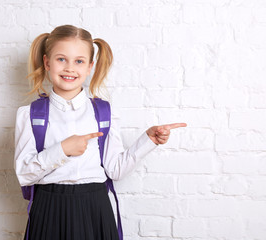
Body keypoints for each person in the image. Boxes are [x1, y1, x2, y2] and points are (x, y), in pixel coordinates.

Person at [14, 24, 186, 240]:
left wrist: (148, 141)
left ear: (89, 67)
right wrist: (63, 149)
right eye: (61, 59)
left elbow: (115, 170)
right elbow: (24, 173)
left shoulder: (103, 112)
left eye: (79, 61)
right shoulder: (29, 114)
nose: (69, 68)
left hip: (95, 206)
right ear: (47, 62)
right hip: (49, 207)